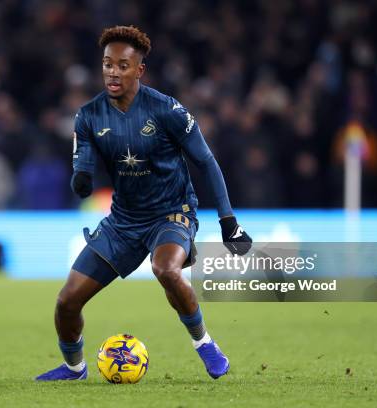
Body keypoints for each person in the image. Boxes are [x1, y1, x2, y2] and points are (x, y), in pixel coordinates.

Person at [36, 26, 252, 382]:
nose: (113, 72)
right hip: (123, 220)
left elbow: (206, 162)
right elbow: (83, 164)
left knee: (166, 269)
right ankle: (74, 368)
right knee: (66, 302)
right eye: (107, 64)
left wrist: (228, 220)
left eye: (123, 65)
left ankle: (205, 345)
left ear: (140, 70)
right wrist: (82, 178)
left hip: (172, 212)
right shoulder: (88, 115)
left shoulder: (168, 110)